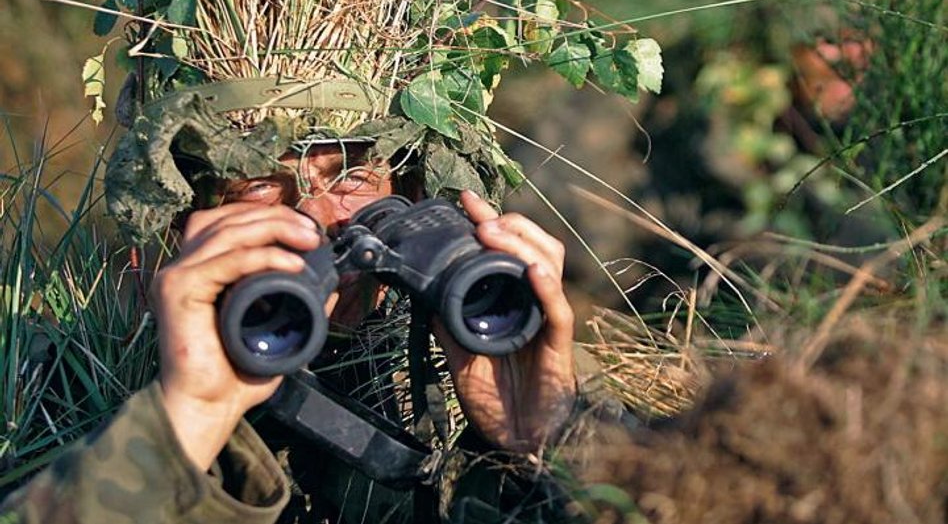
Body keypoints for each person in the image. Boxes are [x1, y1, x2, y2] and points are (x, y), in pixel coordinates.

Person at [0, 125, 610, 523]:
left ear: (416, 196)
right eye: (264, 189)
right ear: (184, 225)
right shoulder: (35, 392)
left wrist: (546, 440)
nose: (319, 220)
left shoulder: (479, 370)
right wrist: (189, 419)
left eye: (353, 180)